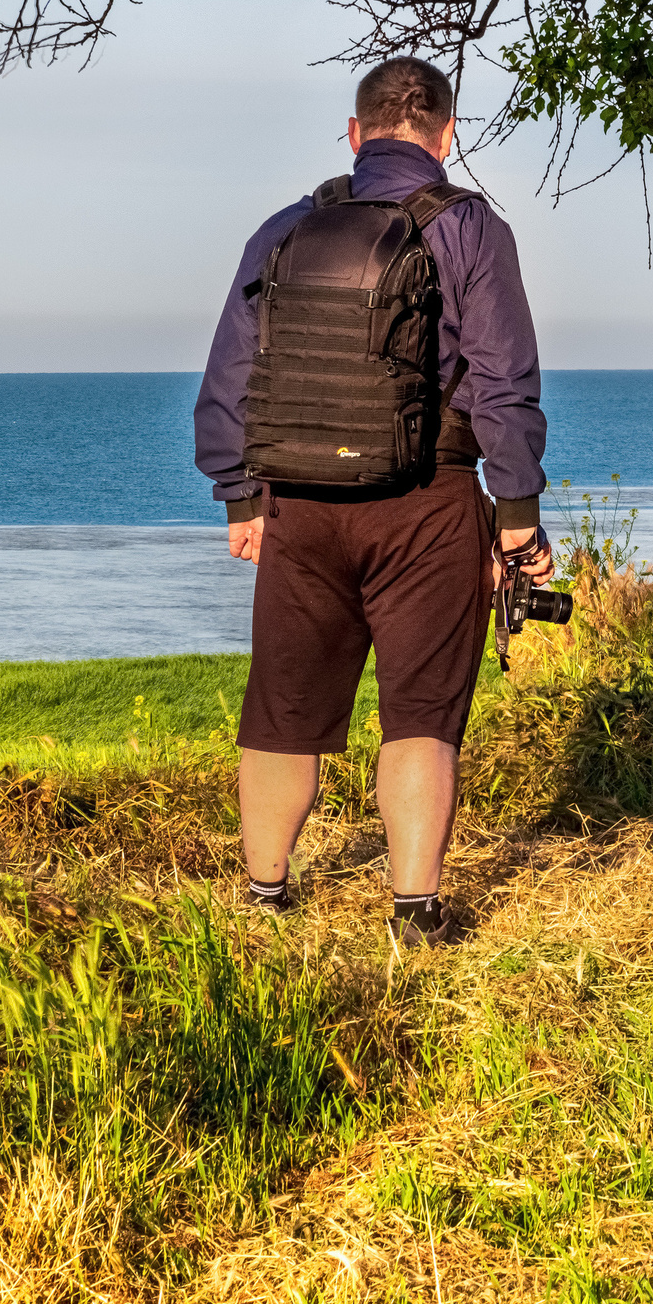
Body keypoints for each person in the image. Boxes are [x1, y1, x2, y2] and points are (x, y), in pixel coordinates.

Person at [193, 56, 550, 948]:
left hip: (297, 508)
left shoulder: (285, 230)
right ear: (447, 135)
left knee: (282, 711)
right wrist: (517, 516)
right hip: (425, 502)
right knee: (422, 713)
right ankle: (414, 915)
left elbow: (232, 372)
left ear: (354, 136)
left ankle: (266, 898)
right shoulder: (471, 228)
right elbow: (504, 382)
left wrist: (240, 495)